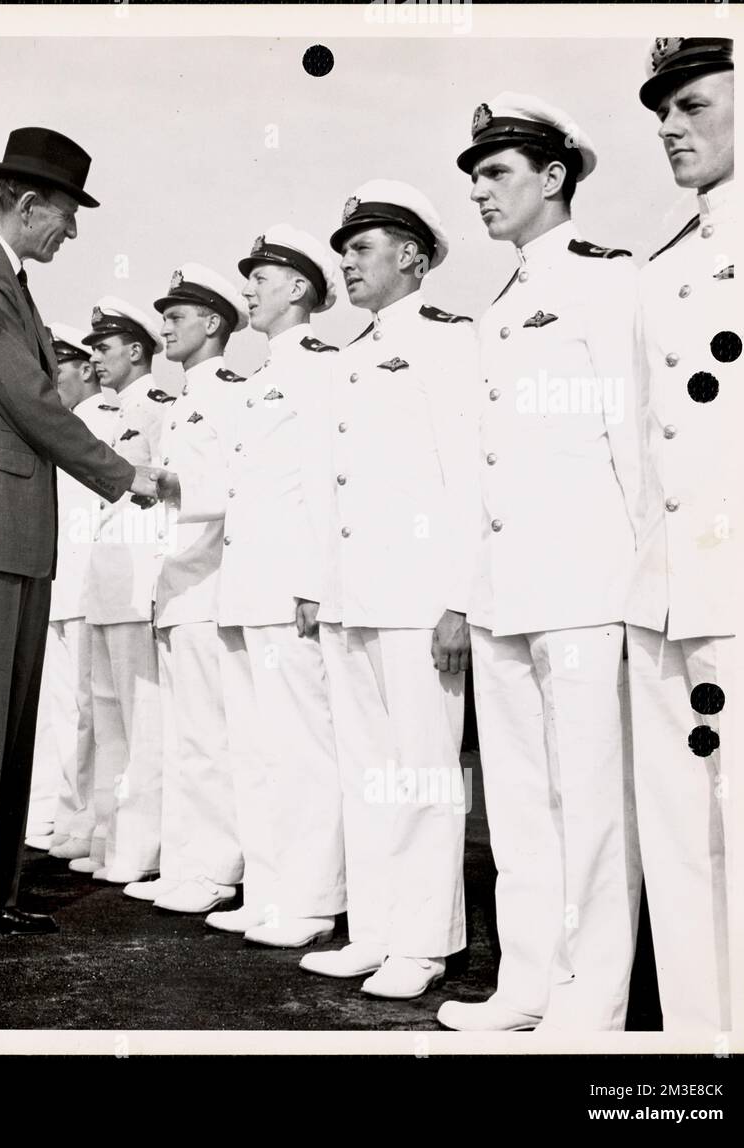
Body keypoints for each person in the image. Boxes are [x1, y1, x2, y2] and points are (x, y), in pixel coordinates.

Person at [0, 126, 157, 959]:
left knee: (9, 719)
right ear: (26, 204)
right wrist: (125, 473)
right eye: (65, 214)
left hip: (12, 528)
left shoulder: (6, 278)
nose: (72, 232)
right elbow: (30, 398)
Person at [437, 93, 643, 1032]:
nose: (480, 191)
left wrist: (647, 584)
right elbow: (484, 465)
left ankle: (591, 1003)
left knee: (590, 799)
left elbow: (634, 443)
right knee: (519, 807)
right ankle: (526, 986)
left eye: (497, 174)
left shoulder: (609, 282)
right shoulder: (502, 303)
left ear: (555, 178)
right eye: (475, 176)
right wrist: (466, 589)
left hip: (584, 584)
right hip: (505, 590)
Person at [298, 183, 476, 999]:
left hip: (416, 597)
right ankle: (374, 928)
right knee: (369, 774)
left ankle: (425, 941)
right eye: (345, 247)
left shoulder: (449, 344)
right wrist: (316, 587)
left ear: (412, 255)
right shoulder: (350, 355)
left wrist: (462, 596)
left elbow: (471, 475)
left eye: (362, 247)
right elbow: (331, 484)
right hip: (353, 597)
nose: (347, 261)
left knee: (424, 772)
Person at [627, 37, 742, 1039]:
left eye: (693, 104)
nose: (670, 127)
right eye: (660, 109)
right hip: (664, 587)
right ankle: (700, 1035)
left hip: (743, 585)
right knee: (678, 835)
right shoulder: (665, 260)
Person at [205, 225, 344, 948]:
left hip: (289, 590)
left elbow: (327, 480)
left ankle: (313, 899)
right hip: (247, 588)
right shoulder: (260, 377)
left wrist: (315, 581)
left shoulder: (321, 367)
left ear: (297, 288)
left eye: (260, 278)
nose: (248, 291)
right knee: (256, 751)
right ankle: (268, 890)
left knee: (301, 751)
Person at [141, 263, 248, 914]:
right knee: (183, 740)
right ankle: (184, 865)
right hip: (178, 586)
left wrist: (178, 489)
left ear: (212, 323)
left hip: (210, 585)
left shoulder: (231, 392)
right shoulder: (183, 401)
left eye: (176, 317)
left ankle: (215, 869)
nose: (164, 329)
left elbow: (238, 484)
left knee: (210, 740)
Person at [80, 297, 173, 886]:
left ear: (136, 351)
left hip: (140, 582)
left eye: (105, 348)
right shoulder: (106, 413)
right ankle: (110, 837)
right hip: (105, 584)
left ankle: (143, 849)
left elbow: (167, 500)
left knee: (146, 724)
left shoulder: (161, 409)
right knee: (109, 718)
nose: (96, 359)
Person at [27, 323, 111, 853]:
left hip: (92, 588)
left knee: (88, 714)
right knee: (61, 712)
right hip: (63, 587)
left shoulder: (105, 420)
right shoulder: (62, 424)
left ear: (85, 368)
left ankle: (87, 824)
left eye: (59, 368)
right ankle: (67, 815)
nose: (52, 379)